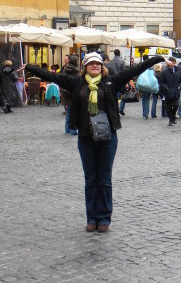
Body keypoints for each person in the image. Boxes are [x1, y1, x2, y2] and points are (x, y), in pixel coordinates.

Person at [24, 51, 164, 232]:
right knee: (90, 180)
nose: (95, 66)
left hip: (108, 138)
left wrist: (156, 59)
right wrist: (29, 67)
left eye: (97, 63)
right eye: (91, 63)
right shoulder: (77, 83)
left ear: (102, 66)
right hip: (85, 138)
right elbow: (53, 76)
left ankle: (104, 218)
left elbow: (133, 70)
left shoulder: (111, 82)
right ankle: (92, 218)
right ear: (85, 67)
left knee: (104, 180)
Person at [60, 54, 80, 135]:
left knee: (69, 111)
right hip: (72, 94)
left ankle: (67, 128)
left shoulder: (66, 69)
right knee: (73, 112)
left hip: (66, 93)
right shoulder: (74, 71)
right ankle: (72, 129)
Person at [159, 57, 181, 126]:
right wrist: (166, 87)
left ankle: (173, 116)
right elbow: (161, 82)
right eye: (171, 63)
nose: (173, 64)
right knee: (168, 107)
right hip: (168, 92)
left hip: (176, 91)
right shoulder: (164, 72)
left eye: (174, 63)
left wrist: (180, 86)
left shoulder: (178, 71)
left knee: (176, 105)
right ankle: (171, 119)